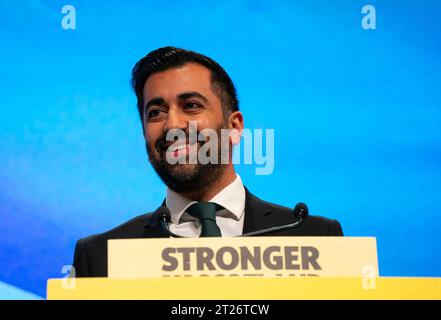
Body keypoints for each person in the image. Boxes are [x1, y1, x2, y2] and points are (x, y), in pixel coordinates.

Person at [72, 46, 343, 277]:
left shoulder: (314, 237)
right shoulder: (100, 258)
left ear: (234, 127)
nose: (173, 125)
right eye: (155, 112)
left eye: (191, 105)